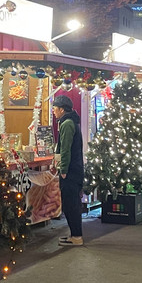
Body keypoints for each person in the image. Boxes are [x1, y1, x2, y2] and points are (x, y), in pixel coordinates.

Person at [52, 94, 85, 246]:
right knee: (72, 203)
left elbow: (65, 149)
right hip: (76, 168)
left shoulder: (67, 124)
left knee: (71, 204)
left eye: (55, 108)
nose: (53, 111)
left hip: (71, 170)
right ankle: (74, 234)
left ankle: (76, 237)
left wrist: (63, 169)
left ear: (61, 109)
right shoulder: (71, 122)